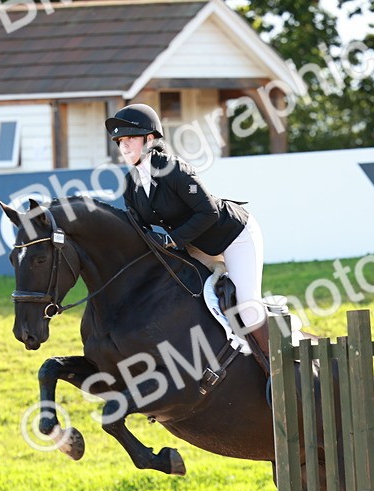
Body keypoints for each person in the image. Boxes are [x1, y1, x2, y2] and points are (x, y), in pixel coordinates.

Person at [105, 103, 269, 361]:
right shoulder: (130, 183)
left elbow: (209, 212)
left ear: (150, 139)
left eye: (130, 139)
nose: (124, 146)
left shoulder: (175, 169)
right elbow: (137, 228)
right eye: (120, 141)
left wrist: (172, 239)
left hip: (233, 235)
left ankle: (275, 366)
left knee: (247, 305)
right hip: (194, 245)